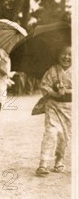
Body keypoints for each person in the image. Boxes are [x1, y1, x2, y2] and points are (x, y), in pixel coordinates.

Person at [35, 46, 72, 176]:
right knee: (51, 132)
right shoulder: (53, 70)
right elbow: (44, 85)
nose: (66, 57)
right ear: (58, 55)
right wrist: (55, 93)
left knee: (64, 136)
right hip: (53, 106)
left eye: (70, 54)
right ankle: (43, 164)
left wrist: (67, 91)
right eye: (64, 54)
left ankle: (59, 161)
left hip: (69, 108)